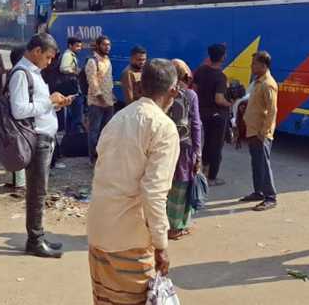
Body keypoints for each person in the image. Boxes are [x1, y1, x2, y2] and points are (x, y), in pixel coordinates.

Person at [87, 59, 180, 305]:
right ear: (173, 91)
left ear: (140, 87)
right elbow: (154, 193)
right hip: (129, 242)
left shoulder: (118, 118)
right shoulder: (164, 128)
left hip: (99, 231)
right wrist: (161, 245)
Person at [9, 33, 72, 258]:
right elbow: (19, 110)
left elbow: (37, 108)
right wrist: (49, 101)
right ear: (36, 51)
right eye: (47, 57)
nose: (49, 62)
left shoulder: (34, 73)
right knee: (37, 191)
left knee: (40, 190)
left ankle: (38, 236)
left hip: (43, 137)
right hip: (35, 140)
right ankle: (35, 240)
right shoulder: (21, 74)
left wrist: (55, 104)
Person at [238, 51, 279, 211]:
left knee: (263, 163)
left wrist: (265, 131)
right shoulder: (258, 82)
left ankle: (270, 197)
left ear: (263, 65)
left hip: (261, 132)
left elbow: (272, 110)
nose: (251, 66)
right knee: (256, 163)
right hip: (253, 130)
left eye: (254, 63)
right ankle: (258, 192)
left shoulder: (268, 84)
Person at [166, 59, 202, 240]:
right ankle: (175, 227)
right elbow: (195, 125)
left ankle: (167, 224)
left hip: (165, 147)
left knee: (166, 186)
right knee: (181, 186)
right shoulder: (190, 95)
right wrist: (198, 153)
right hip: (184, 147)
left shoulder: (163, 93)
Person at [193, 43, 233, 186]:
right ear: (222, 57)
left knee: (207, 143)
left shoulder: (201, 70)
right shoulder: (220, 77)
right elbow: (219, 99)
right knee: (216, 147)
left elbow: (195, 89)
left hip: (203, 113)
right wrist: (230, 104)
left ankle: (203, 170)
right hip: (217, 116)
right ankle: (212, 178)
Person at [85, 35, 115, 166]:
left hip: (109, 102)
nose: (107, 47)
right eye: (104, 45)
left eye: (109, 45)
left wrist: (111, 95)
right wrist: (101, 98)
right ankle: (93, 159)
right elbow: (93, 82)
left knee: (107, 131)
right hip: (96, 103)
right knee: (94, 132)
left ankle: (105, 157)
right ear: (98, 45)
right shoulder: (92, 61)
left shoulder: (107, 60)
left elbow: (109, 80)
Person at [6, 46, 27, 189]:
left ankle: (11, 179)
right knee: (19, 149)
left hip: (5, 119)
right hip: (17, 120)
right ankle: (19, 182)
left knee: (9, 149)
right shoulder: (20, 75)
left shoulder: (6, 75)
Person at [59, 37, 84, 133]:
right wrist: (75, 71)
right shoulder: (68, 55)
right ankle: (75, 136)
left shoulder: (71, 54)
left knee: (72, 115)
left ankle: (71, 136)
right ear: (70, 45)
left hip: (72, 87)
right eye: (77, 46)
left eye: (80, 46)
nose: (79, 48)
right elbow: (63, 68)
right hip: (71, 88)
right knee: (76, 115)